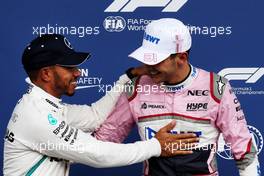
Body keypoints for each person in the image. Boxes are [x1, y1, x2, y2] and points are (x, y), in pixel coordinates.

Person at [3, 34, 199, 176]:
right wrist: (156, 146)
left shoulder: (45, 105)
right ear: (46, 73)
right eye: (69, 67)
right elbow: (97, 154)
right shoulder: (37, 115)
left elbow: (95, 115)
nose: (78, 73)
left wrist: (127, 78)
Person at [95, 18, 261, 176]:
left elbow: (244, 149)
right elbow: (104, 141)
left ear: (181, 57)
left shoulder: (216, 87)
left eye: (156, 60)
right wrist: (70, 147)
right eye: (146, 59)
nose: (149, 67)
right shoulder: (135, 88)